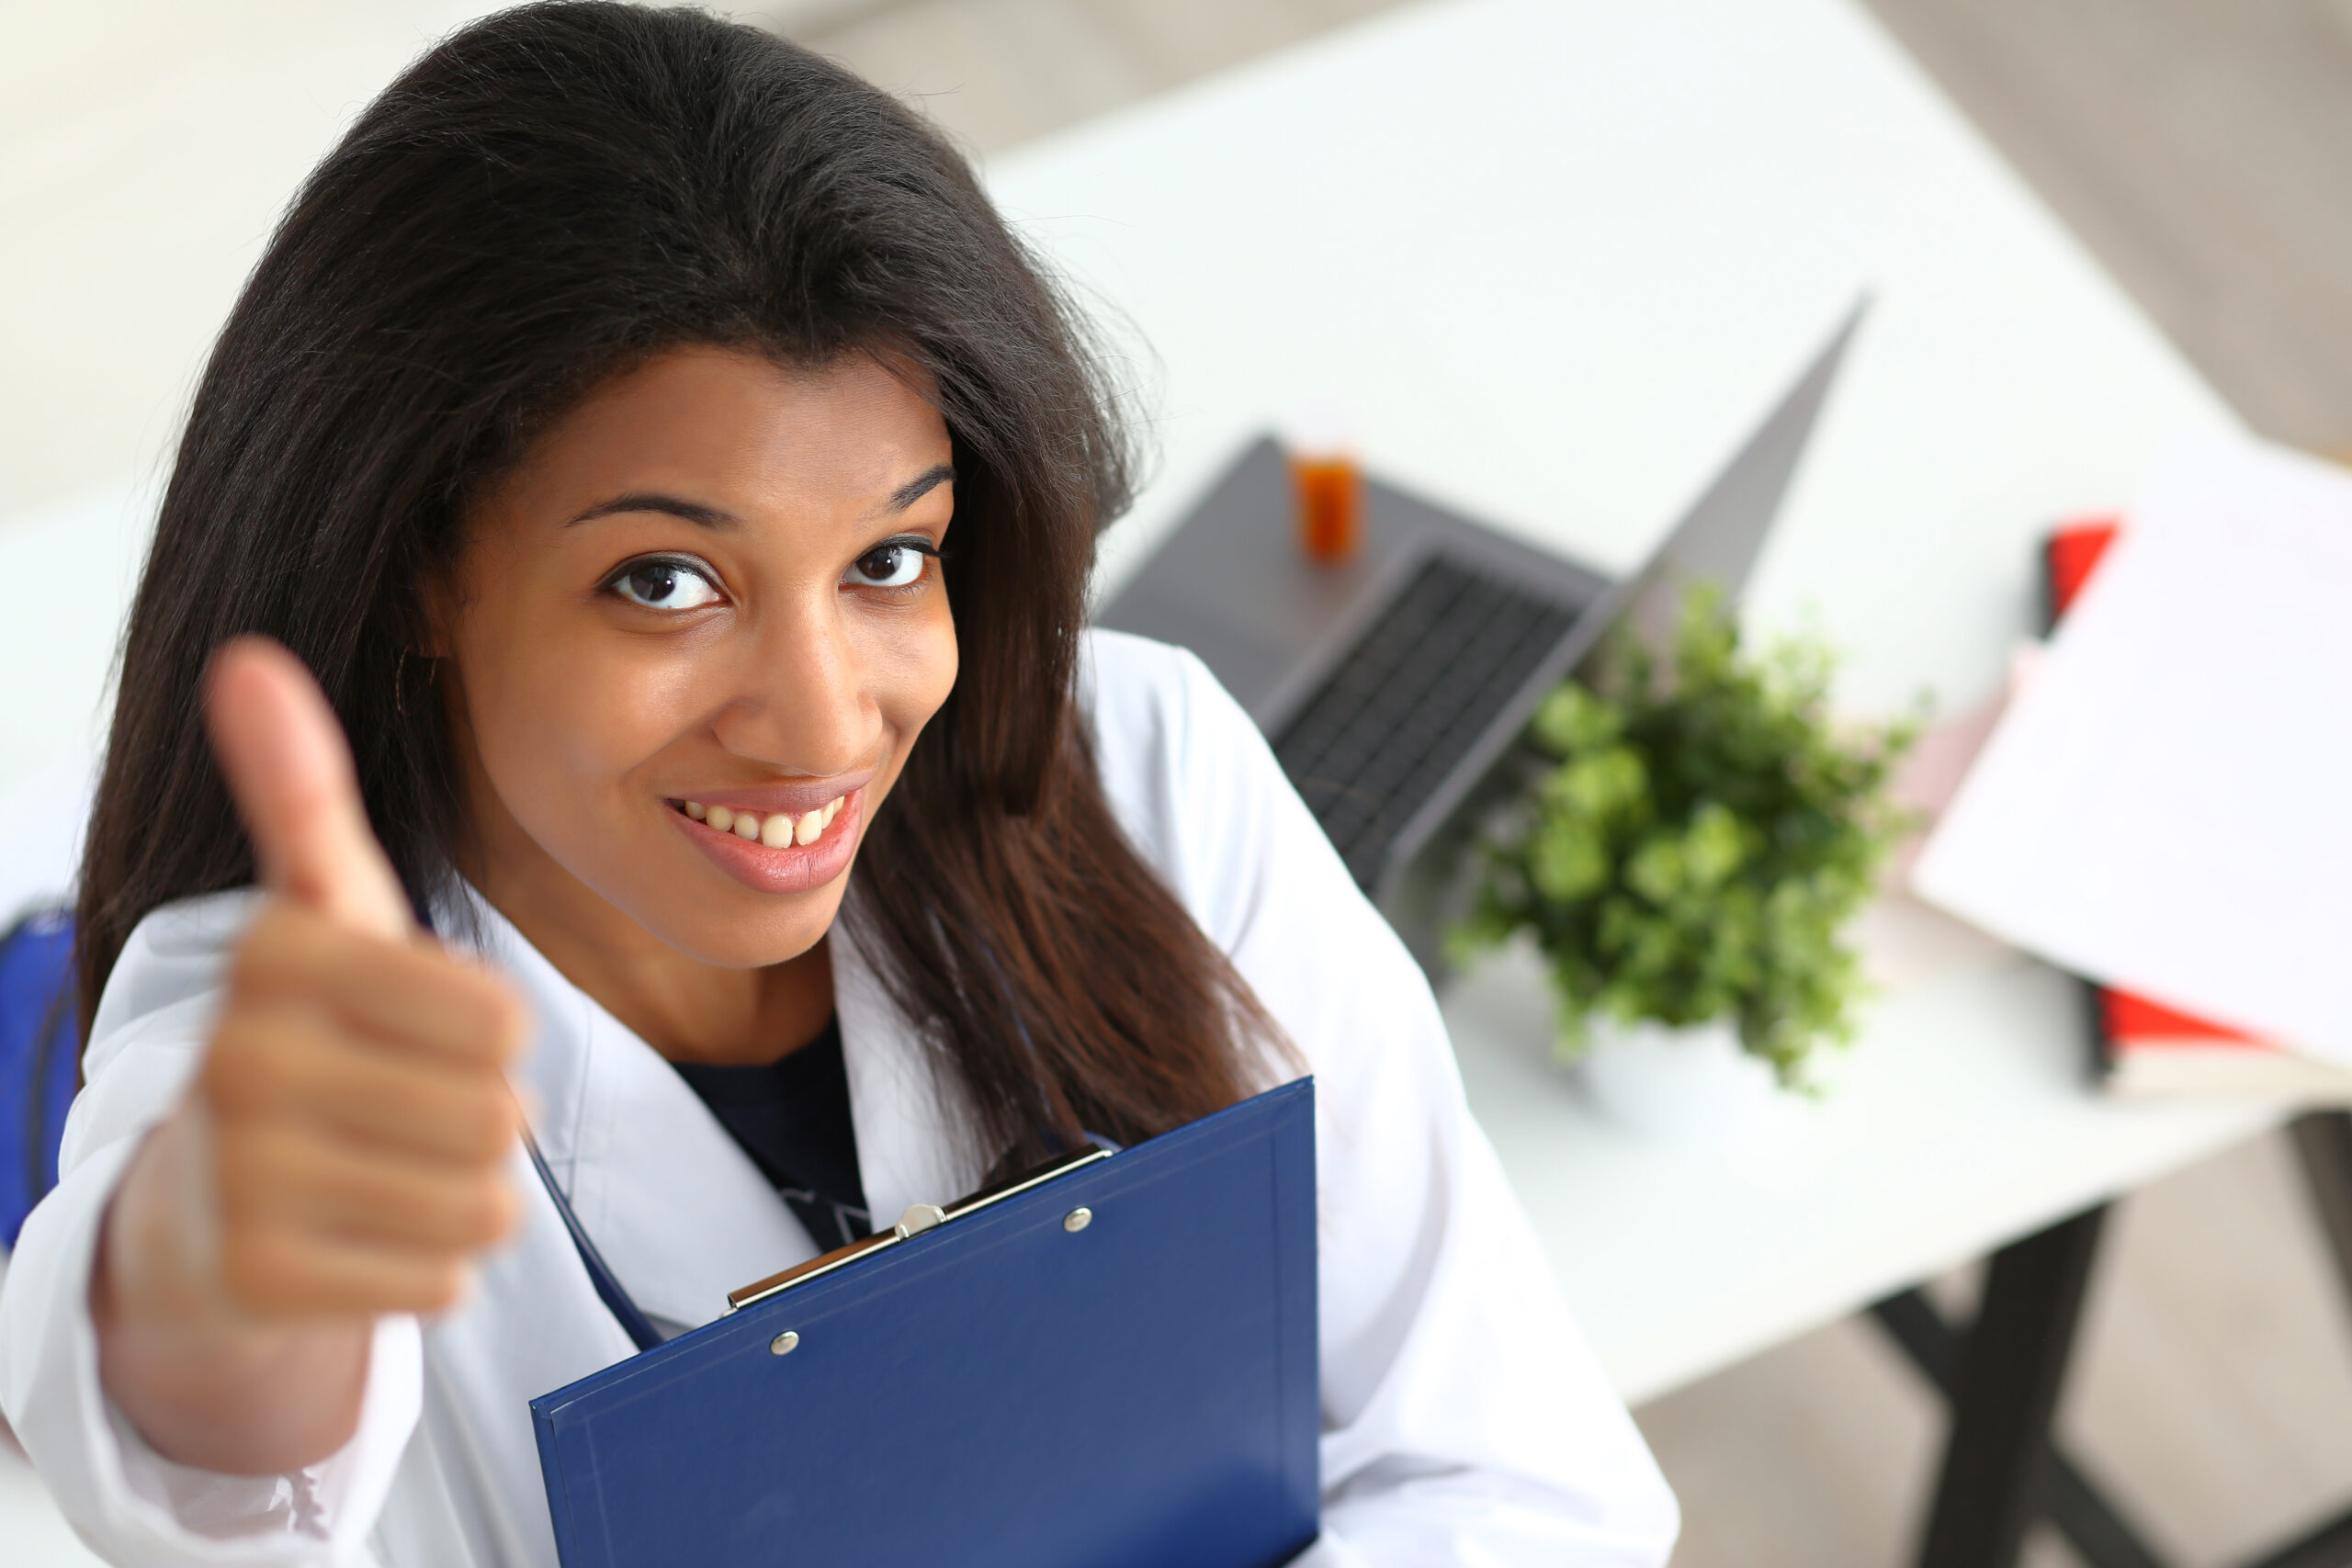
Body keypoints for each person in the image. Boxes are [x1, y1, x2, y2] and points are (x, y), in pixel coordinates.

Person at [0, 5, 1679, 1563]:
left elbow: (1524, 1478)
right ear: (424, 569)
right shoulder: (272, 1039)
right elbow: (198, 1445)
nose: (820, 725)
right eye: (666, 581)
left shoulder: (1139, 769)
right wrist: (224, 1277)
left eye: (890, 557)